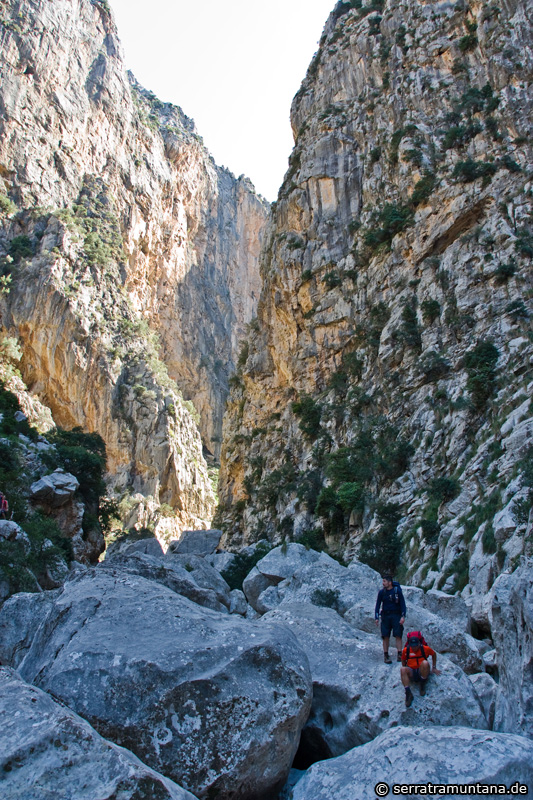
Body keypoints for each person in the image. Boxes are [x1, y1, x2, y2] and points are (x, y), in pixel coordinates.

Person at [401, 633, 441, 707]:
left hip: (421, 670)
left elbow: (433, 654)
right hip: (412, 670)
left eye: (415, 646)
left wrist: (434, 667)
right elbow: (403, 660)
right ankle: (408, 692)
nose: (414, 648)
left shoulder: (425, 648)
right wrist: (405, 672)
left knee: (425, 663)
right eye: (412, 646)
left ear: (419, 644)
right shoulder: (406, 650)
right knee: (402, 669)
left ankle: (422, 683)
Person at [375, 574, 406, 663]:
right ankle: (386, 655)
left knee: (398, 635)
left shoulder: (397, 591)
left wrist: (403, 616)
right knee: (385, 636)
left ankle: (400, 654)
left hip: (396, 615)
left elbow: (403, 604)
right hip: (385, 616)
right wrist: (376, 617)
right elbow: (377, 605)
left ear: (390, 582)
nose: (383, 583)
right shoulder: (382, 592)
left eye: (384, 581)